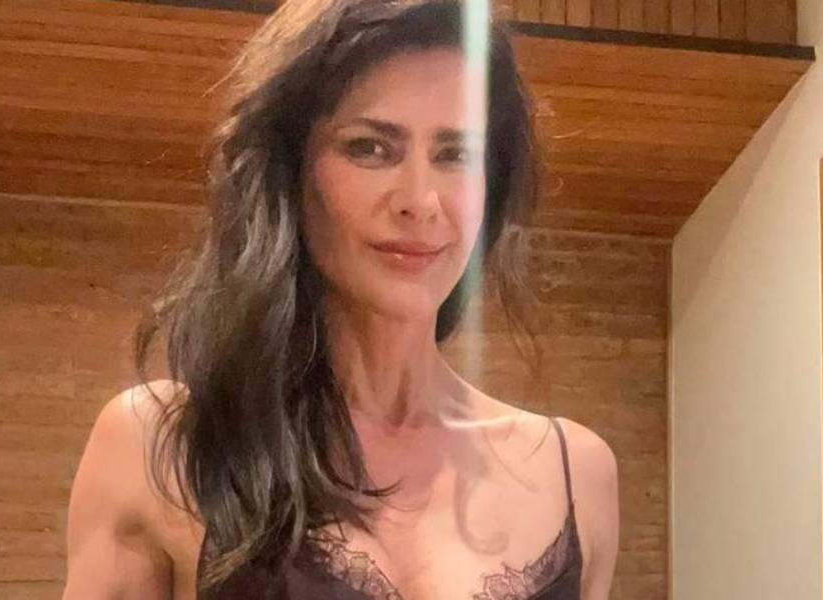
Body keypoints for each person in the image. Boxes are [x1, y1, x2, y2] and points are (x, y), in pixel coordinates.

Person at [61, 1, 619, 599]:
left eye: (455, 154)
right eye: (370, 148)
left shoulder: (577, 476)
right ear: (290, 172)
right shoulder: (165, 448)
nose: (421, 202)